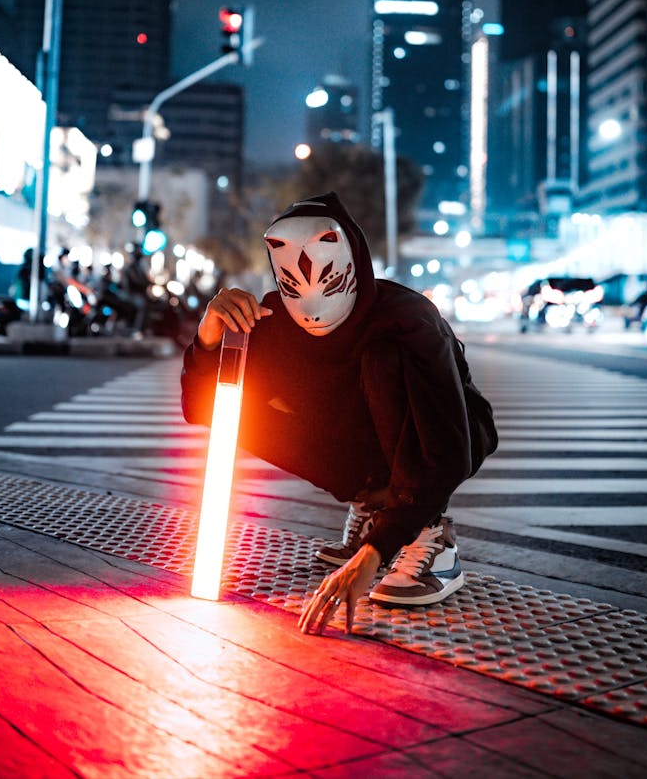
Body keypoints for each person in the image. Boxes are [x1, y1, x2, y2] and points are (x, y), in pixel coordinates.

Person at [180, 192, 498, 636]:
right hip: (356, 440)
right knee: (243, 407)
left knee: (381, 361)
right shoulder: (275, 324)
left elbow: (447, 450)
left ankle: (429, 534)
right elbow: (204, 408)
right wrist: (208, 339)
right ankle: (375, 502)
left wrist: (376, 552)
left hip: (449, 431)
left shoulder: (408, 320)